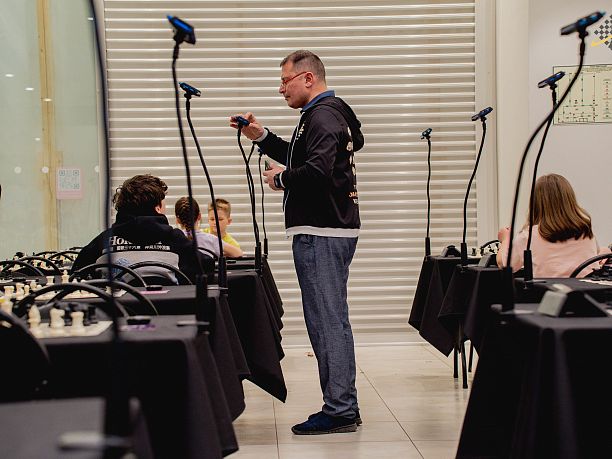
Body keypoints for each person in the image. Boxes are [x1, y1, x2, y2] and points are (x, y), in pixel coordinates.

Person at [230, 50, 364, 435]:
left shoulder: (322, 115)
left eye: (284, 81)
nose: (280, 89)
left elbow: (317, 171)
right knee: (327, 319)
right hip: (326, 229)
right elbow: (302, 154)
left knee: (327, 321)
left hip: (322, 231)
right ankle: (342, 404)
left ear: (308, 78)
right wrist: (261, 137)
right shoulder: (324, 114)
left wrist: (280, 179)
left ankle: (341, 409)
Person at [71, 174, 213, 282]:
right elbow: (205, 267)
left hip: (117, 311)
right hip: (168, 310)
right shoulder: (174, 239)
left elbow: (77, 273)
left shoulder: (104, 240)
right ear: (157, 207)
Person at [497, 173, 606, 278]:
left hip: (550, 291)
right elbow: (594, 254)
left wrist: (506, 239)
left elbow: (505, 264)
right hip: (587, 290)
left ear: (536, 203)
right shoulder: (585, 231)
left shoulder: (529, 236)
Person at [174, 197, 243, 258]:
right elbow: (238, 253)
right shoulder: (211, 239)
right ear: (199, 216)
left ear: (177, 220)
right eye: (212, 219)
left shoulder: (173, 239)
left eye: (220, 219)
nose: (215, 222)